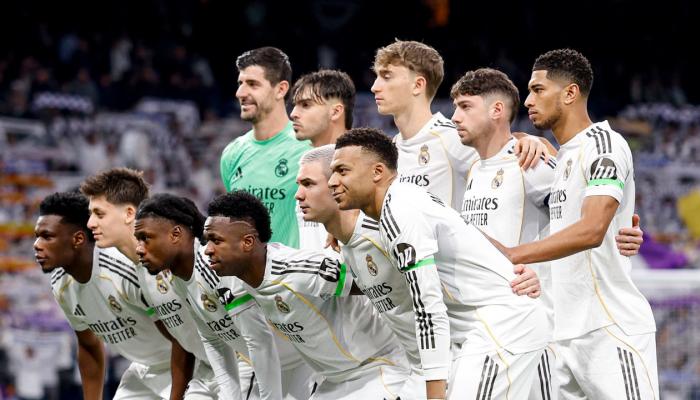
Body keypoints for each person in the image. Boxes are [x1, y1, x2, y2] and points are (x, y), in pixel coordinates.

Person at [450, 67, 645, 400]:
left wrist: (621, 229)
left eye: (465, 107)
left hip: (544, 322)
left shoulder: (531, 163)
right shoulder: (475, 169)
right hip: (498, 326)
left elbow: (588, 218)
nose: (455, 117)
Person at [295, 144, 543, 399]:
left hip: (466, 347)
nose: (298, 195)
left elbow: (452, 244)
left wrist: (509, 271)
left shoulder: (389, 221)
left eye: (309, 184)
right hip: (421, 363)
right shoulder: (346, 243)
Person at [203, 190, 410, 399]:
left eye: (216, 241)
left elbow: (382, 280)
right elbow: (257, 345)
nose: (208, 250)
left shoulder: (300, 270)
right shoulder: (240, 283)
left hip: (378, 367)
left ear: (247, 242)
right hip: (333, 381)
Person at [134, 193, 294, 400]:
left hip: (293, 359)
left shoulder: (215, 266)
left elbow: (259, 340)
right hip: (274, 364)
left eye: (145, 238)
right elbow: (213, 340)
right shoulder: (179, 279)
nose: (139, 249)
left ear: (176, 234)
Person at [371, 40, 554, 210]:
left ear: (418, 85)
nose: (375, 87)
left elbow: (503, 147)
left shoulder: (451, 139)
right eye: (377, 76)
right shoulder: (391, 150)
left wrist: (531, 140)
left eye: (386, 77)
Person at [80, 168, 210, 399]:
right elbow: (180, 338)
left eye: (99, 214)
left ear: (129, 213)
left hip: (236, 366)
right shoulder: (139, 267)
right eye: (91, 214)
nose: (90, 223)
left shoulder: (173, 257)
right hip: (200, 369)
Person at [35, 191, 173, 400]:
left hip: (191, 365)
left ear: (78, 239)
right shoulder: (60, 284)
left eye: (47, 236)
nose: (37, 244)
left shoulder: (125, 269)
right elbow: (89, 345)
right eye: (37, 236)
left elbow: (180, 338)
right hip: (144, 370)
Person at [220, 46, 311, 248]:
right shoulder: (232, 154)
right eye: (240, 83)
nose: (240, 93)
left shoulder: (308, 147)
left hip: (297, 266)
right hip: (247, 269)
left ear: (281, 89)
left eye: (252, 84)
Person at [289, 69, 356, 250]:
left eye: (306, 105)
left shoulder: (363, 170)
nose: (293, 113)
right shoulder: (306, 170)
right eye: (295, 105)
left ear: (335, 111)